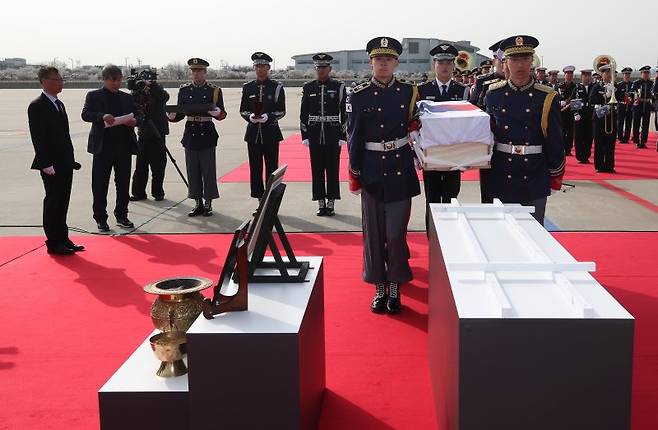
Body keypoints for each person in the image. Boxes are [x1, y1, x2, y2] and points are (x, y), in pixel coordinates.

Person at [347, 36, 420, 314]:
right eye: (379, 59)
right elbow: (353, 135)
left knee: (396, 233)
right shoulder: (359, 93)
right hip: (372, 168)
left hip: (400, 166)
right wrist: (354, 172)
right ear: (371, 63)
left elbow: (416, 121)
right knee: (375, 234)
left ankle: (395, 284)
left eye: (388, 59)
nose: (383, 64)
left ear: (396, 63)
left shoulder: (408, 91)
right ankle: (379, 285)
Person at [485, 35, 565, 226]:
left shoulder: (546, 96)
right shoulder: (493, 94)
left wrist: (555, 175)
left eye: (524, 58)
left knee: (533, 234)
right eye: (514, 59)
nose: (520, 65)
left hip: (534, 173)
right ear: (506, 62)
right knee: (502, 234)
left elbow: (555, 140)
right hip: (502, 172)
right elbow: (486, 134)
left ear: (532, 61)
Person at [28, 66, 83, 255]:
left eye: (61, 79)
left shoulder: (59, 104)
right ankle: (53, 242)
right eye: (55, 79)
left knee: (63, 201)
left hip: (65, 162)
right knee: (53, 202)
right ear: (43, 81)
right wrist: (45, 163)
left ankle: (63, 237)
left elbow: (63, 136)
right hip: (50, 164)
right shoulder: (37, 106)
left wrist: (71, 160)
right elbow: (38, 137)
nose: (60, 83)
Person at [416, 42, 469, 226]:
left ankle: (451, 237)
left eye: (448, 62)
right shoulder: (422, 90)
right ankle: (433, 238)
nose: (445, 66)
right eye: (441, 62)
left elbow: (467, 124)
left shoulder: (462, 91)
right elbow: (415, 123)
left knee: (451, 198)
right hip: (431, 154)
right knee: (431, 199)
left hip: (454, 155)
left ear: (453, 65)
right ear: (434, 65)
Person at [82, 65, 138, 232]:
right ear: (104, 79)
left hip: (123, 146)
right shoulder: (94, 95)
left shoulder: (127, 97)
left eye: (119, 80)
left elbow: (137, 115)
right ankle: (100, 217)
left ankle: (122, 215)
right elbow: (85, 114)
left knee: (123, 183)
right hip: (103, 147)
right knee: (100, 184)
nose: (116, 83)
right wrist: (101, 116)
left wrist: (134, 121)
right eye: (113, 80)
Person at [167, 58, 226, 216]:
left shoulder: (214, 90)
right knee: (192, 169)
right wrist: (171, 116)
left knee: (207, 170)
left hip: (206, 132)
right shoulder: (184, 90)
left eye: (199, 71)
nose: (196, 74)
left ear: (205, 72)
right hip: (191, 132)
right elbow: (180, 113)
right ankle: (197, 201)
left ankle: (208, 202)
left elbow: (222, 114)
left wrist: (218, 113)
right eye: (193, 71)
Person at [299, 53, 347, 216]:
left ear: (330, 69)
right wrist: (304, 136)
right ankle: (320, 202)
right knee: (317, 170)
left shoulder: (339, 86)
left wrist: (343, 135)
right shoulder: (308, 87)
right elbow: (303, 113)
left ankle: (331, 202)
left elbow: (345, 113)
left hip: (333, 133)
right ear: (315, 68)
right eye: (318, 67)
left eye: (324, 67)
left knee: (332, 170)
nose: (321, 70)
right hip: (314, 134)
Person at [239, 52, 286, 199]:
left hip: (270, 133)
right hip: (253, 134)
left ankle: (271, 199)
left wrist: (269, 117)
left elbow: (282, 110)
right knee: (255, 168)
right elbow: (243, 110)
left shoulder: (276, 87)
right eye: (257, 66)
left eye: (263, 66)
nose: (260, 69)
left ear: (268, 67)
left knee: (272, 168)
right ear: (254, 67)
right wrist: (250, 117)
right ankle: (259, 199)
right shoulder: (248, 87)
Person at [470, 39, 506, 203]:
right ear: (494, 61)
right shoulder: (483, 82)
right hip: (490, 145)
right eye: (502, 60)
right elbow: (474, 110)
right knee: (489, 196)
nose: (506, 65)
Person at [130, 71, 170, 201]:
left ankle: (158, 192)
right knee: (141, 165)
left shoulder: (158, 90)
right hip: (143, 132)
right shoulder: (137, 92)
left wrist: (151, 86)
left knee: (158, 165)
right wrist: (138, 88)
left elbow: (165, 97)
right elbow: (133, 103)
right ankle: (138, 192)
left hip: (158, 131)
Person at [590, 64, 617, 173]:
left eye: (610, 73)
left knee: (610, 143)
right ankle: (599, 166)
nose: (608, 75)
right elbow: (591, 99)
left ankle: (609, 165)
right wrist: (605, 96)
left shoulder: (615, 86)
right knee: (599, 142)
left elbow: (620, 97)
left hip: (611, 115)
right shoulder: (597, 86)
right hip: (599, 116)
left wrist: (614, 91)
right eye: (606, 73)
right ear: (602, 74)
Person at [574, 69, 595, 163]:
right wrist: (575, 114)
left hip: (590, 116)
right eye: (585, 76)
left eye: (589, 75)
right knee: (579, 137)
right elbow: (573, 101)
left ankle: (586, 156)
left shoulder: (594, 87)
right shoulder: (577, 88)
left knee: (588, 137)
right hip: (579, 117)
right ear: (581, 77)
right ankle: (580, 156)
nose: (587, 78)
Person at [558, 66, 578, 156]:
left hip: (571, 112)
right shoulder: (560, 86)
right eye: (567, 74)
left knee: (570, 132)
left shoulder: (576, 87)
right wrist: (560, 102)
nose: (569, 76)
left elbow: (576, 99)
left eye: (571, 74)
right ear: (564, 75)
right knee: (561, 131)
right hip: (562, 113)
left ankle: (568, 149)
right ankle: (561, 148)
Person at [632, 65, 653, 149]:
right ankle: (637, 141)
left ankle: (643, 141)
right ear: (641, 73)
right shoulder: (636, 83)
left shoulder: (652, 83)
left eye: (648, 72)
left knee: (646, 125)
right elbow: (631, 94)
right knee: (636, 124)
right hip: (638, 106)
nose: (646, 74)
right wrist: (635, 98)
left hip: (647, 106)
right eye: (644, 73)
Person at [616, 67, 634, 143]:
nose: (627, 76)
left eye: (628, 74)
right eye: (625, 74)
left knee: (628, 123)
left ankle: (626, 138)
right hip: (621, 106)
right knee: (620, 123)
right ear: (623, 75)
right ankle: (620, 137)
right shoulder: (619, 85)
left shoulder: (633, 84)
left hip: (630, 107)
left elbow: (635, 95)